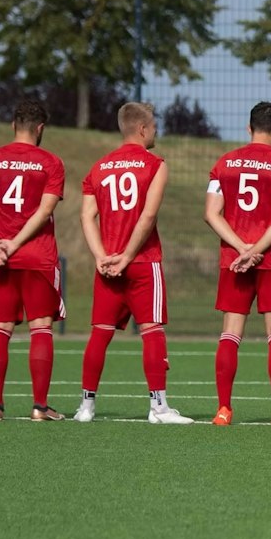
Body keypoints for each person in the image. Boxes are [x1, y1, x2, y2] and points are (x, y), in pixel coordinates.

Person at [74, 102, 191, 424]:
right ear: (142, 128)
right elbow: (148, 215)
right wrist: (127, 256)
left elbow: (86, 216)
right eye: (153, 126)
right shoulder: (155, 164)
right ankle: (159, 407)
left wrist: (101, 256)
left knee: (99, 334)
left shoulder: (98, 168)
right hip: (141, 262)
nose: (156, 131)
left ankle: (86, 406)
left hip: (107, 265)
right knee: (152, 331)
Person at [205, 101, 271, 428]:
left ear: (248, 129)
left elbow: (211, 213)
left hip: (234, 260)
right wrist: (257, 249)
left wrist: (240, 248)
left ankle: (223, 410)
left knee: (230, 334)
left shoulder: (224, 163)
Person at [0, 101, 67, 421]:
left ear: (13, 125)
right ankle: (40, 407)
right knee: (41, 327)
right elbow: (44, 211)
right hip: (37, 256)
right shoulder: (51, 162)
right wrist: (17, 243)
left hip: (0, 258)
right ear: (40, 129)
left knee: (0, 328)